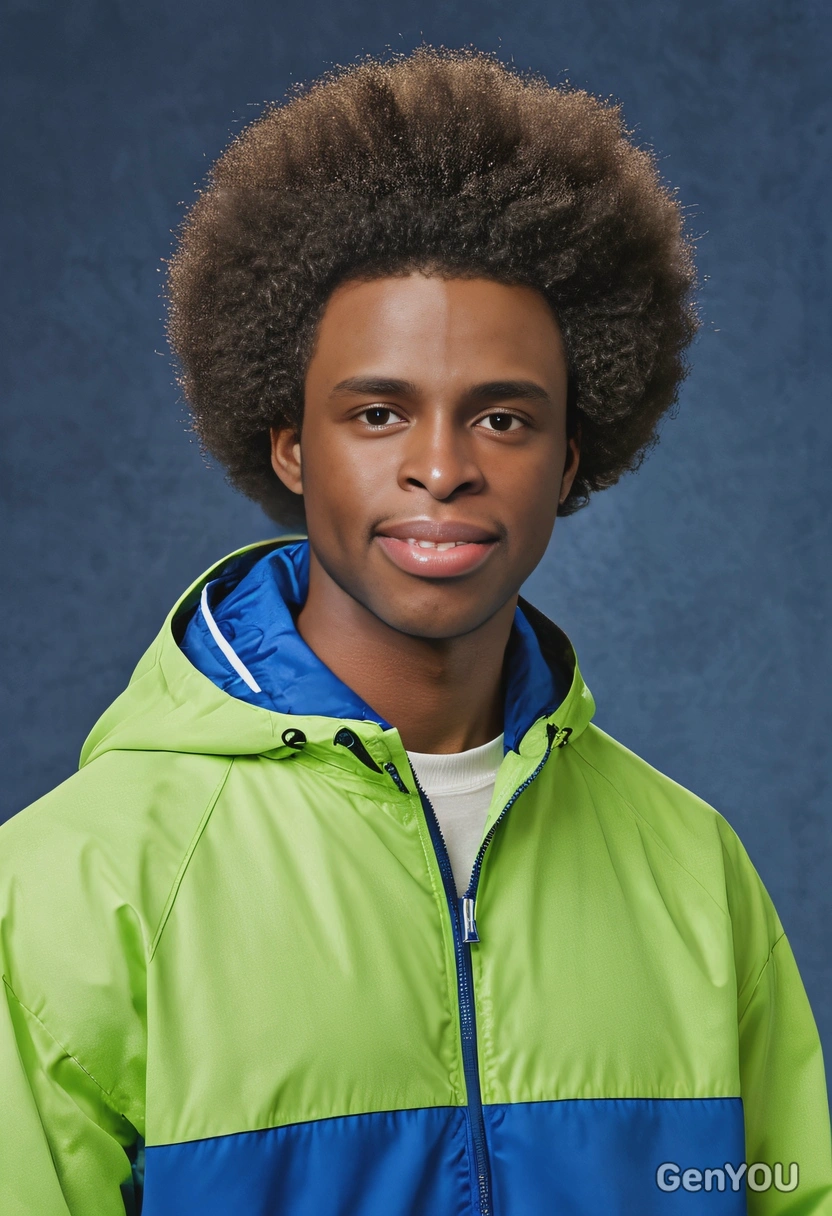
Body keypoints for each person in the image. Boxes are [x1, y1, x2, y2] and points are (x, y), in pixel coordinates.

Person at [1, 45, 829, 1216]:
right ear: (289, 443)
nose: (442, 468)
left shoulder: (695, 870)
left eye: (502, 416)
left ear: (570, 460)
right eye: (378, 412)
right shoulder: (75, 885)